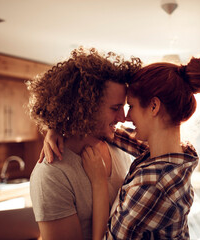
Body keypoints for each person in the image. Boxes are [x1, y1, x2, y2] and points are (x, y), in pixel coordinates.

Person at [43, 55, 200, 239]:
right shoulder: (178, 155)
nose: (125, 118)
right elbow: (110, 131)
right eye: (117, 108)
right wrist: (61, 125)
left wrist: (98, 181)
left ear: (154, 106)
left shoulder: (152, 184)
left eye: (131, 107)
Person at [26, 47, 142, 240]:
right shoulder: (52, 174)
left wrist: (53, 127)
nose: (123, 118)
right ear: (85, 108)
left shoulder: (120, 145)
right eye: (115, 108)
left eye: (124, 106)